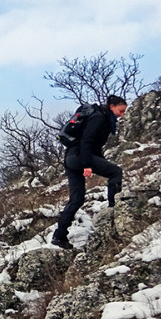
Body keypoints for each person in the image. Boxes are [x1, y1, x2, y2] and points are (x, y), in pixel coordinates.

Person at [51, 95, 128, 250]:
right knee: (116, 172)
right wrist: (87, 164)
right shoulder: (99, 117)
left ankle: (59, 236)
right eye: (121, 111)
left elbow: (94, 147)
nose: (122, 115)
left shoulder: (100, 117)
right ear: (112, 106)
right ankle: (114, 209)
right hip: (79, 156)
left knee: (77, 200)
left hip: (70, 158)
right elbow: (87, 140)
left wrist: (99, 162)